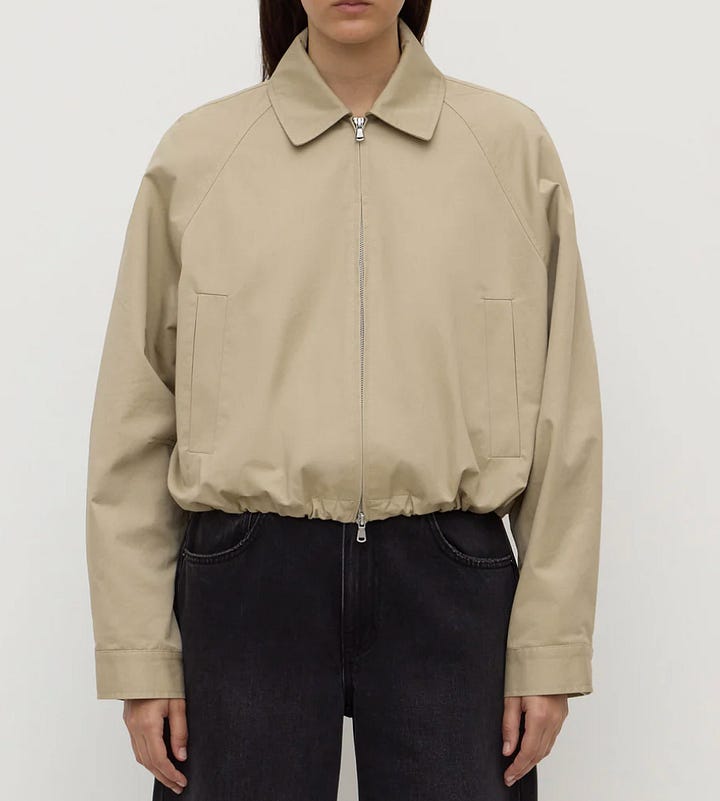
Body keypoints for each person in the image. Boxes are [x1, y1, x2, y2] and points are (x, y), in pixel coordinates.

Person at [85, 1, 603, 798]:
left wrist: (549, 646)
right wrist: (139, 652)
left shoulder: (508, 147)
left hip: (452, 579)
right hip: (248, 579)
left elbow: (565, 409)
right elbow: (134, 416)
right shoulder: (200, 154)